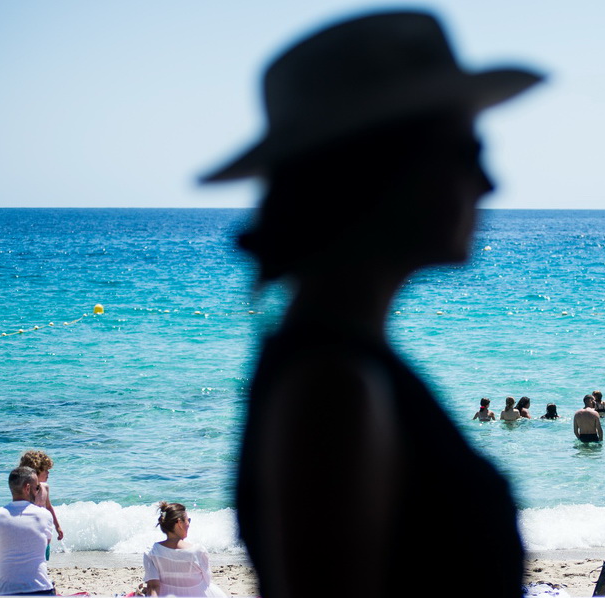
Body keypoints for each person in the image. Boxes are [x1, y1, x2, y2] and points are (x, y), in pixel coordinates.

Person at [201, 10, 543, 598]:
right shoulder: (333, 384)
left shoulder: (329, 359)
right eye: (466, 151)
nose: (489, 183)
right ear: (384, 168)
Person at [0, 467, 56, 596]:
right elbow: (43, 546)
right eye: (37, 487)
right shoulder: (44, 515)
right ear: (27, 488)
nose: (38, 492)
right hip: (40, 588)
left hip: (8, 591)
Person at [143, 501, 226, 597]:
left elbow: (153, 587)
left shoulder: (151, 552)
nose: (189, 524)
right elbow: (207, 581)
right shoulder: (197, 551)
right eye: (188, 520)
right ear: (179, 523)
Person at [18, 450, 64, 542]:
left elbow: (49, 507)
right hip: (30, 537)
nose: (48, 473)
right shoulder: (25, 492)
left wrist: (57, 526)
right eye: (46, 470)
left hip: (45, 535)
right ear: (35, 472)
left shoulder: (45, 488)